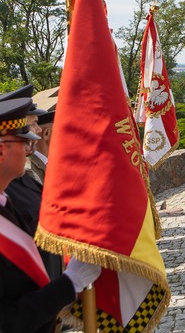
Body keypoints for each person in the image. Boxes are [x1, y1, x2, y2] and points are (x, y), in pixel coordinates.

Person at [0, 97, 101, 333]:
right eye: (23, 141)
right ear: (1, 149)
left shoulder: (7, 202)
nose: (28, 149)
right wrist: (71, 283)